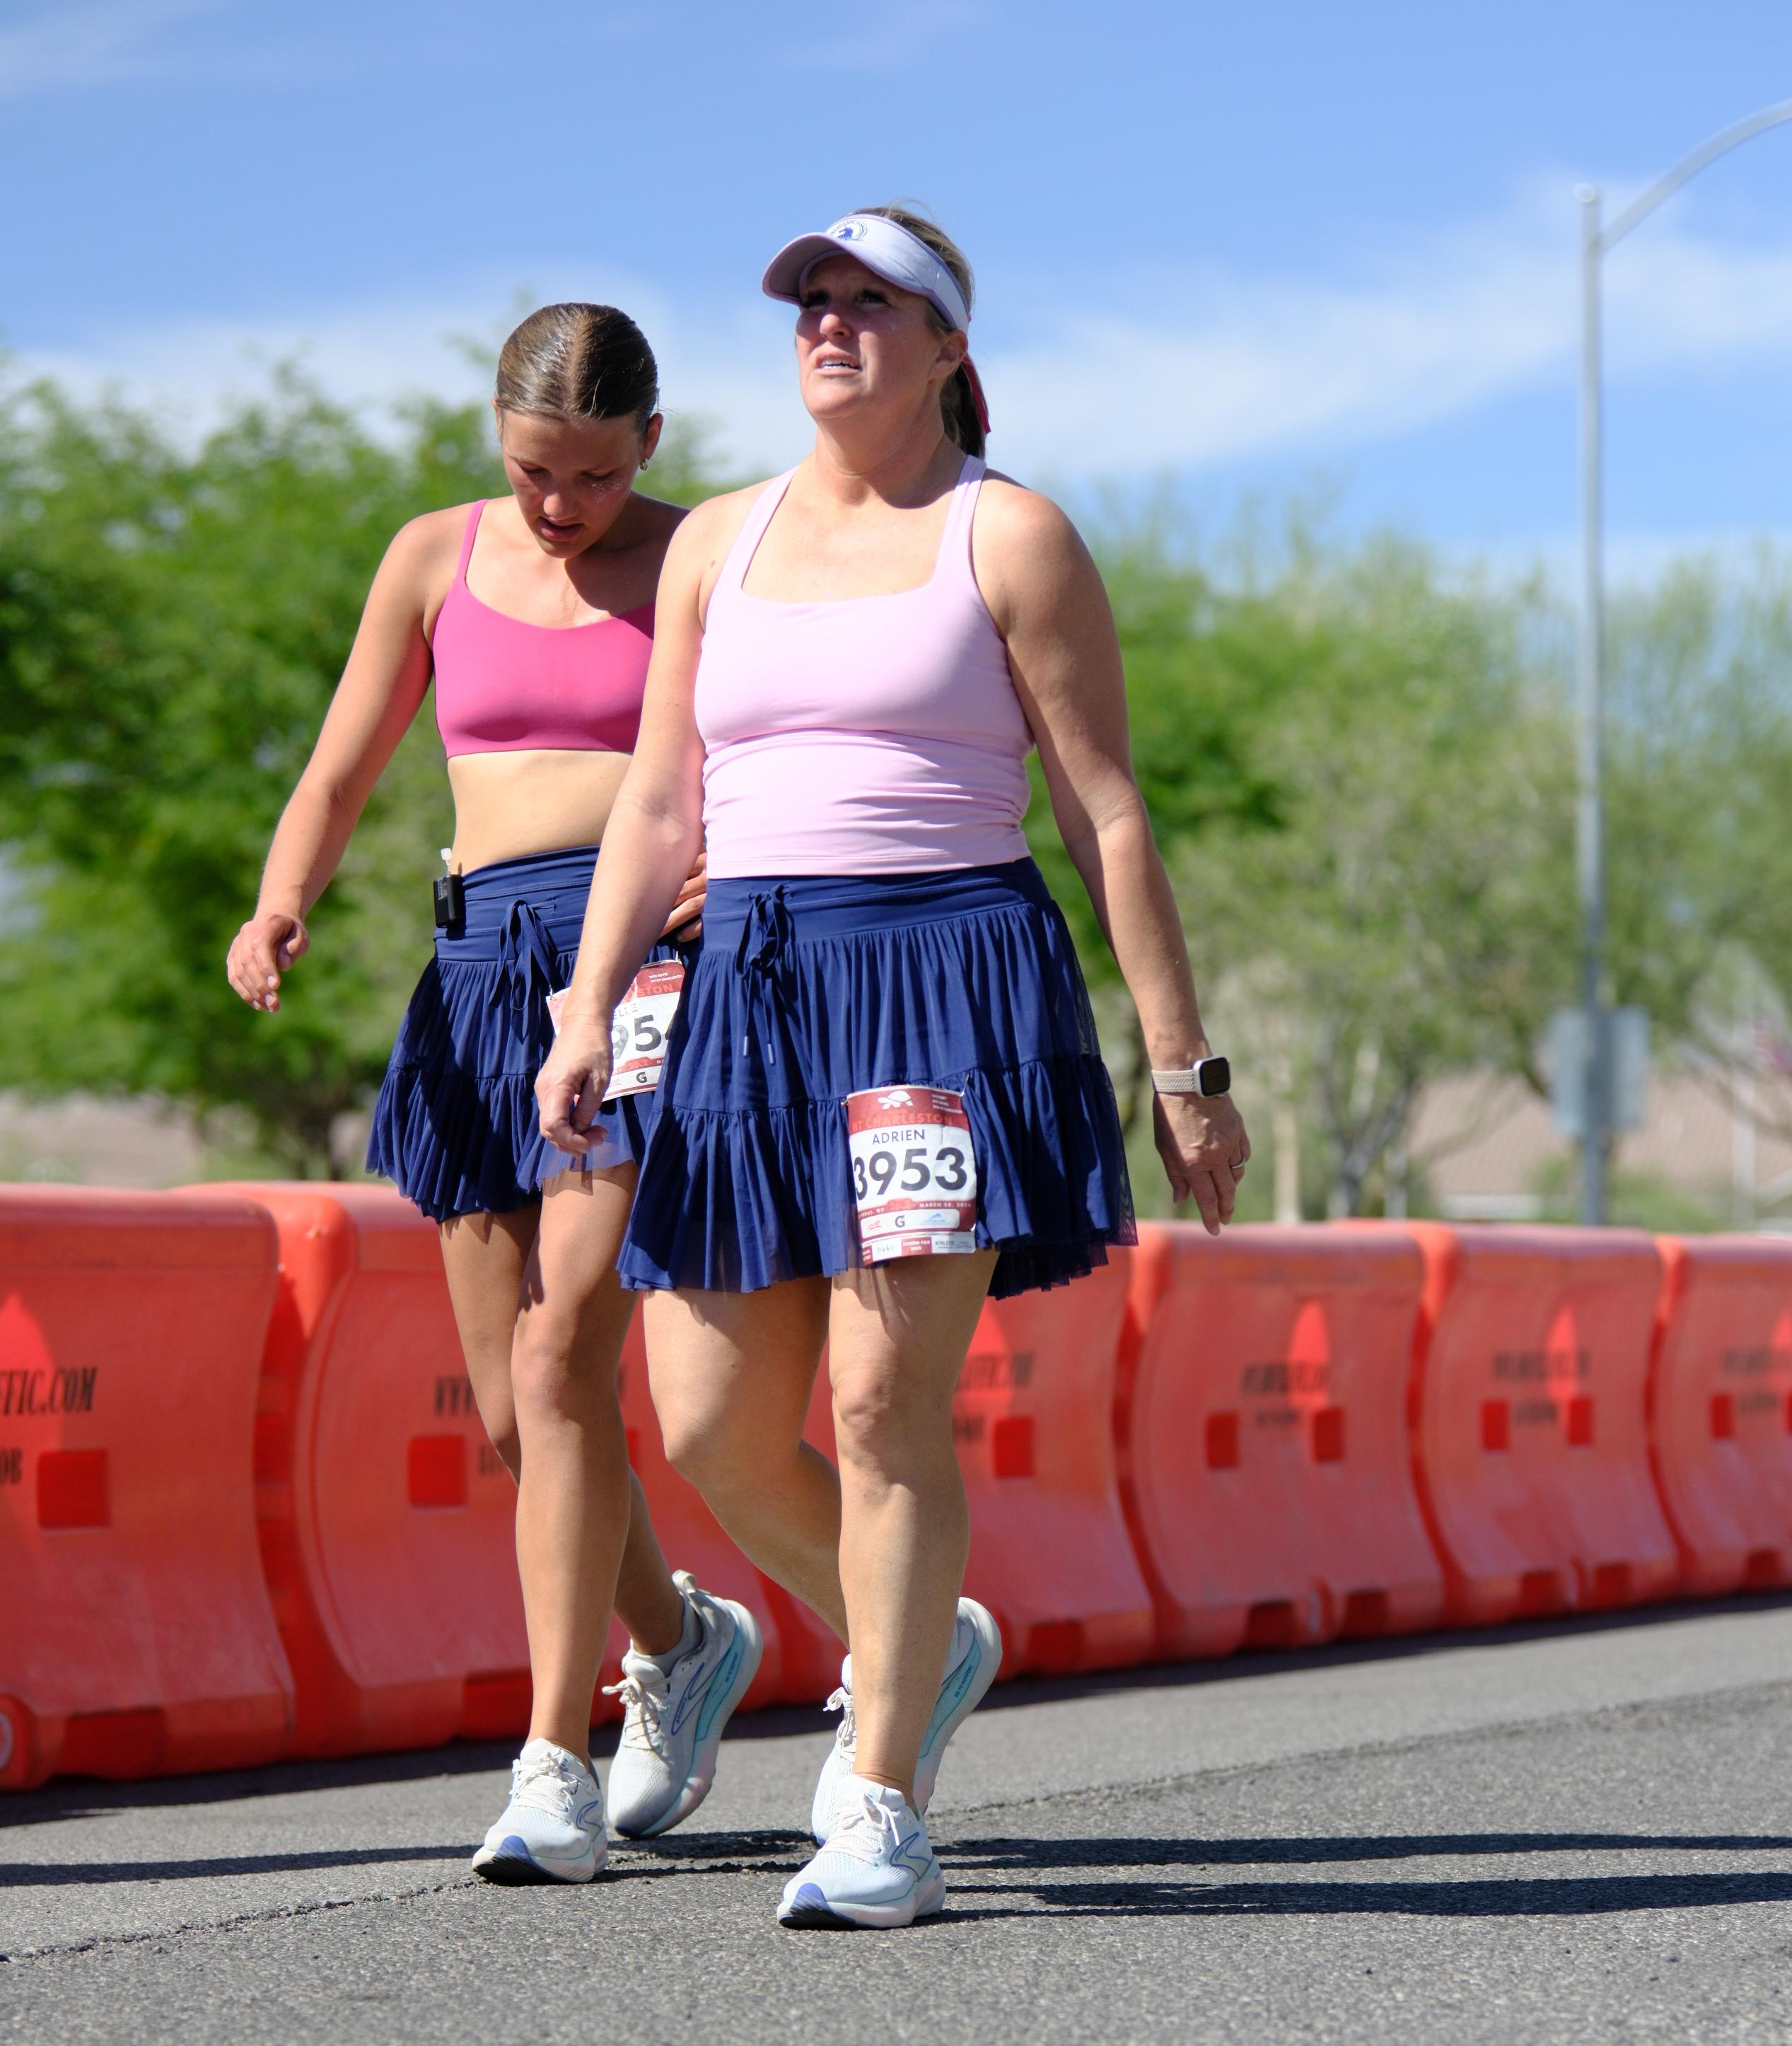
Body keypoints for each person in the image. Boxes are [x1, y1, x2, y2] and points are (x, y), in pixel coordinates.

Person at [537, 209, 1250, 1929]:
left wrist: (1184, 1066)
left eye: (873, 300)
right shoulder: (718, 541)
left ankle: (880, 1808)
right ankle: (919, 1642)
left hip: (943, 984)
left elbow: (1106, 810)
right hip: (750, 993)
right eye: (812, 298)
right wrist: (586, 1002)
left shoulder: (1011, 535)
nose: (832, 321)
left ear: (948, 348)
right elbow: (658, 799)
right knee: (708, 1425)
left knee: (877, 1404)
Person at [226, 303, 762, 1885]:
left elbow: (774, 749)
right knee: (517, 1411)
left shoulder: (704, 557)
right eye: (536, 470)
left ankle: (551, 1765)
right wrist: (280, 901)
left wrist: (730, 866)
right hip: (474, 970)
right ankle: (680, 1638)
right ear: (497, 438)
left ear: (649, 445)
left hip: (637, 967)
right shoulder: (430, 557)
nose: (562, 504)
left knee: (561, 1344)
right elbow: (342, 764)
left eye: (596, 475)